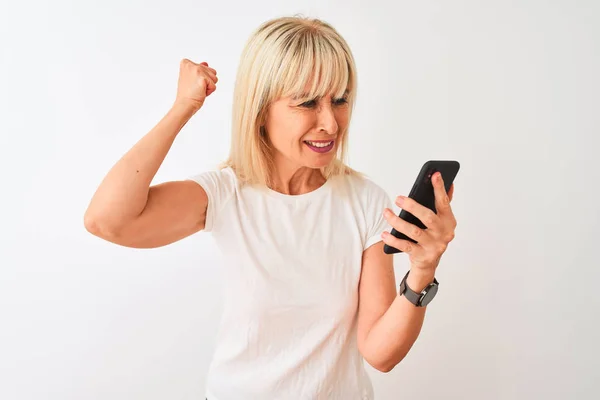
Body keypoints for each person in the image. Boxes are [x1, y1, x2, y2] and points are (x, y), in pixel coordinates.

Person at [84, 15, 457, 400]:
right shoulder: (227, 194)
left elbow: (380, 354)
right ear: (260, 109)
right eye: (307, 102)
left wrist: (423, 271)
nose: (330, 122)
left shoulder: (364, 202)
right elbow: (107, 221)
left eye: (340, 99)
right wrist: (184, 107)